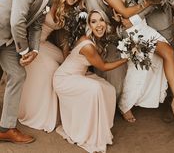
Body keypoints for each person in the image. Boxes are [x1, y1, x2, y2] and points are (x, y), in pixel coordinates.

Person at [85, 0, 174, 122]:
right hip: (132, 31)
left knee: (168, 53)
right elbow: (124, 11)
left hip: (140, 25)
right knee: (139, 70)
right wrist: (148, 2)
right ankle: (125, 105)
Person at [0, 0, 73, 144]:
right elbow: (18, 21)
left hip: (8, 40)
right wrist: (24, 51)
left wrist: (34, 49)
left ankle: (5, 129)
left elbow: (37, 25)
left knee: (17, 75)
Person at [53, 10, 127, 153]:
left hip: (78, 75)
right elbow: (103, 67)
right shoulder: (87, 45)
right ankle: (88, 132)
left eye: (101, 21)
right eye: (94, 22)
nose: (99, 25)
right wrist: (126, 59)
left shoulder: (97, 38)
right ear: (89, 25)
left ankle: (100, 126)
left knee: (108, 89)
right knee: (95, 89)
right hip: (64, 79)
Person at [18, 0, 84, 132]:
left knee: (62, 62)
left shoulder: (70, 12)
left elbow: (65, 39)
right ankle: (38, 113)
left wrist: (68, 58)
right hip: (31, 43)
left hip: (44, 44)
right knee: (51, 69)